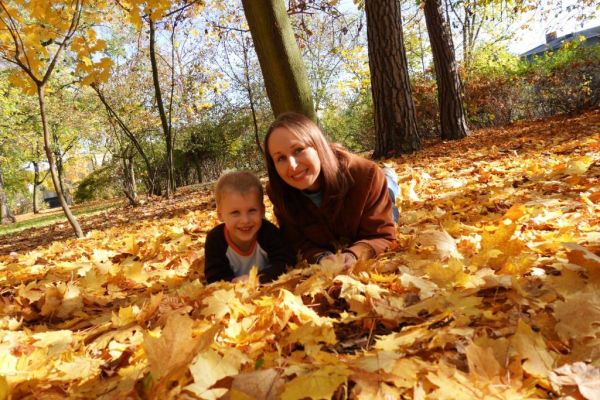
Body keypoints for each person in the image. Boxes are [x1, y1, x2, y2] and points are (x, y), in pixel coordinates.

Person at [264, 112, 397, 270]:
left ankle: (390, 178)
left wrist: (355, 254)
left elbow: (382, 234)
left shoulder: (366, 175)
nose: (292, 165)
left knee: (391, 200)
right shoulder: (278, 192)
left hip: (376, 187)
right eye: (281, 158)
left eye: (298, 150)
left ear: (317, 146)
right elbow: (296, 241)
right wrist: (321, 258)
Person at [204, 170, 294, 284]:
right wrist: (234, 283)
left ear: (262, 211)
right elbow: (214, 277)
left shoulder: (268, 232)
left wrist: (257, 279)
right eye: (235, 212)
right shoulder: (215, 240)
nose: (245, 220)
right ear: (220, 215)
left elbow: (286, 262)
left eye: (252, 210)